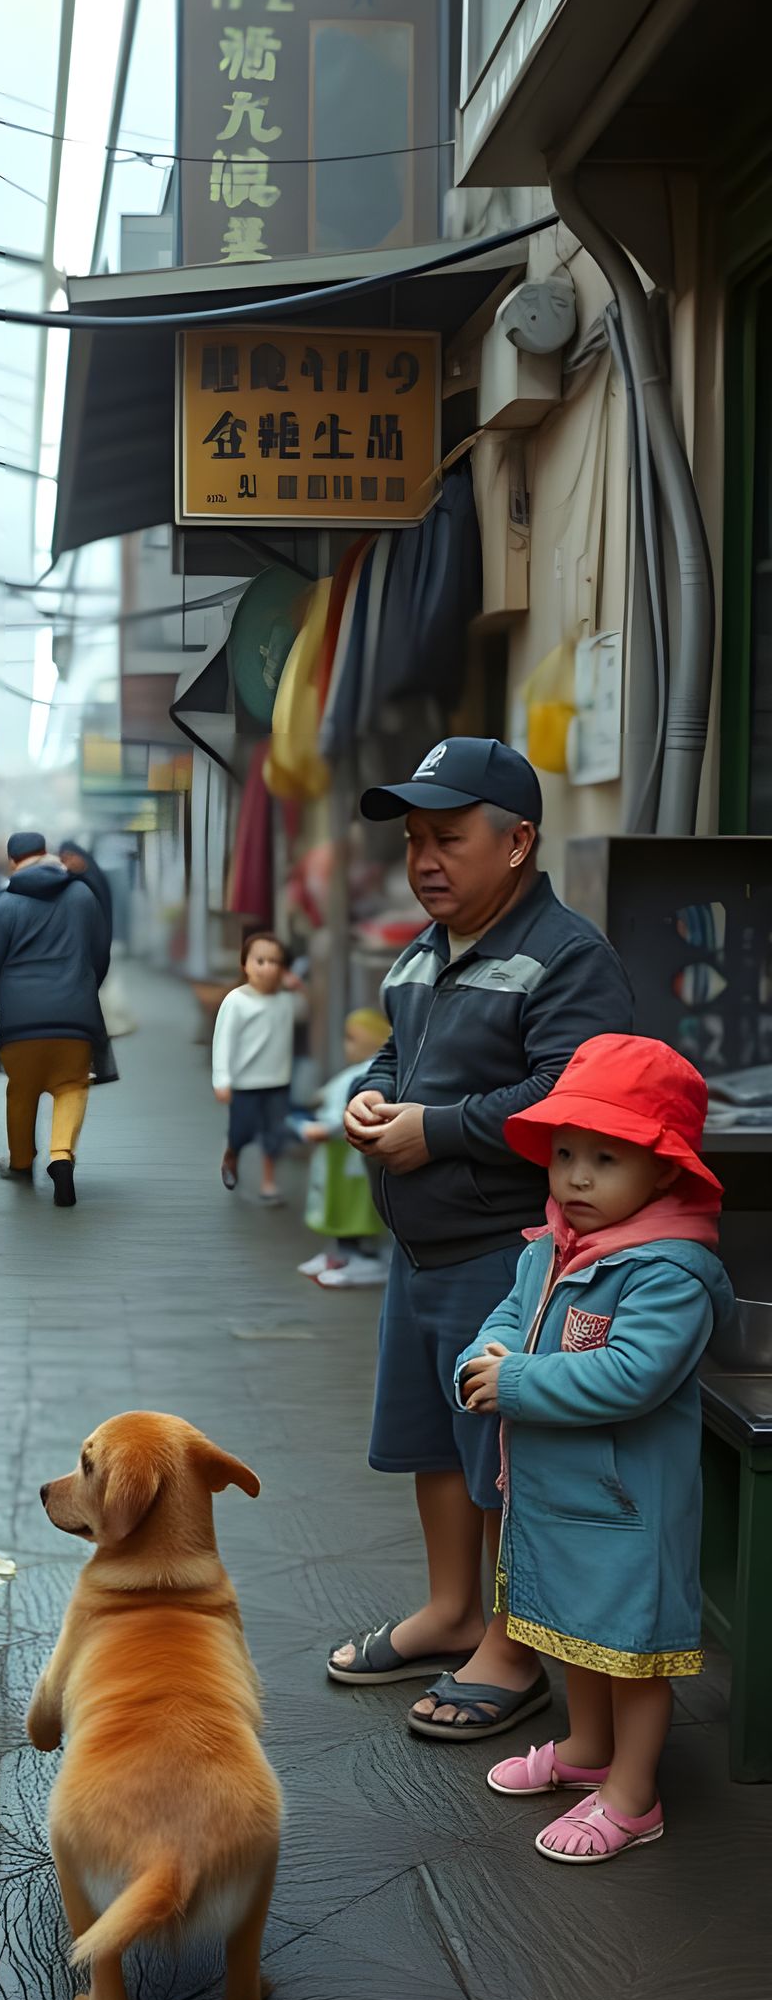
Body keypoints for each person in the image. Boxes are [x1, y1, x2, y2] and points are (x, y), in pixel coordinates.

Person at [326, 735, 635, 1740]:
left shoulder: (566, 954)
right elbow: (395, 1052)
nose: (424, 858)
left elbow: (577, 1096)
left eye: (447, 838)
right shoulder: (425, 950)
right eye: (415, 838)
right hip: (422, 1250)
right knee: (435, 1442)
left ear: (517, 842)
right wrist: (373, 1099)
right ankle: (450, 1606)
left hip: (510, 1255)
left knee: (503, 1455)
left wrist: (440, 1130)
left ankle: (513, 1641)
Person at [456, 1035, 730, 1863]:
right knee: (577, 1632)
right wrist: (484, 1359)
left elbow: (629, 1374)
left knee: (634, 1653)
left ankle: (633, 1794)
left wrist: (518, 1381)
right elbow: (510, 1316)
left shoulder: (669, 1272)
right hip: (563, 1494)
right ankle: (586, 1750)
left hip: (627, 1505)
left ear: (664, 1171)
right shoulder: (549, 1245)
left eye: (604, 1160)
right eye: (565, 1153)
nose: (574, 1176)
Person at [0, 831, 110, 1208]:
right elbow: (100, 955)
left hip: (20, 1020)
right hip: (75, 1018)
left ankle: (20, 1162)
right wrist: (82, 987)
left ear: (13, 861)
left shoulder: (2, 904)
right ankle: (60, 1156)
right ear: (46, 853)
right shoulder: (82, 895)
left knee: (22, 1090)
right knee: (71, 1086)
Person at [297, 1007, 391, 1287]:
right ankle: (339, 1253)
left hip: (353, 1156)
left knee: (354, 1211)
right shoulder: (356, 1070)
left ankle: (365, 1257)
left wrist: (322, 1129)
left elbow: (350, 1110)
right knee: (334, 1207)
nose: (345, 1046)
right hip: (336, 1157)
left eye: (352, 1038)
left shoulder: (371, 1073)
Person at [211, 931, 293, 1203]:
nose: (267, 967)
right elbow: (223, 1042)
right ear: (245, 964)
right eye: (260, 960)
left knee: (274, 1133)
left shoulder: (286, 1000)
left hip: (278, 1080)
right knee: (242, 1130)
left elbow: (308, 1011)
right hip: (245, 1082)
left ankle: (269, 1181)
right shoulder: (236, 1001)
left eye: (274, 962)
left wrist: (299, 987)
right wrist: (222, 1079)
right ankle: (232, 1151)